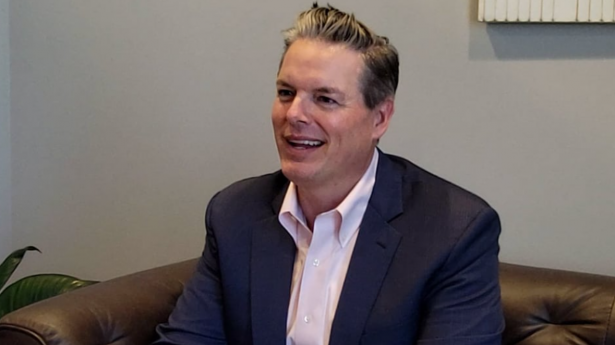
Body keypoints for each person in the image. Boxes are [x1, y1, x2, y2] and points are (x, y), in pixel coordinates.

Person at [153, 3, 504, 345]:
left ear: (379, 119)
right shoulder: (234, 213)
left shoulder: (455, 230)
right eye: (286, 93)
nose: (294, 114)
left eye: (325, 99)